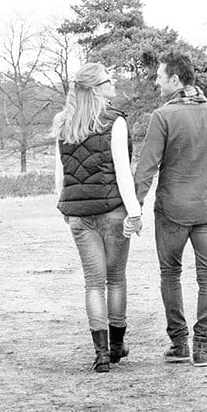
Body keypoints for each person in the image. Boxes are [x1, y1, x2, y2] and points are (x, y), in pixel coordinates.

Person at [133, 51, 207, 367]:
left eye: (160, 76)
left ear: (175, 80)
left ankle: (180, 343)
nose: (156, 81)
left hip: (172, 210)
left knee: (170, 274)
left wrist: (135, 205)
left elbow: (146, 167)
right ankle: (202, 348)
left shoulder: (162, 116)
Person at [52, 62, 144, 373]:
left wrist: (63, 207)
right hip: (112, 212)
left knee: (93, 283)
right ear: (96, 89)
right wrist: (135, 212)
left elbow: (61, 173)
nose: (113, 84)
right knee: (115, 279)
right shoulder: (114, 122)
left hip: (79, 215)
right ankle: (117, 346)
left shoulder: (64, 123)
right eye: (108, 81)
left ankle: (101, 354)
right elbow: (123, 172)